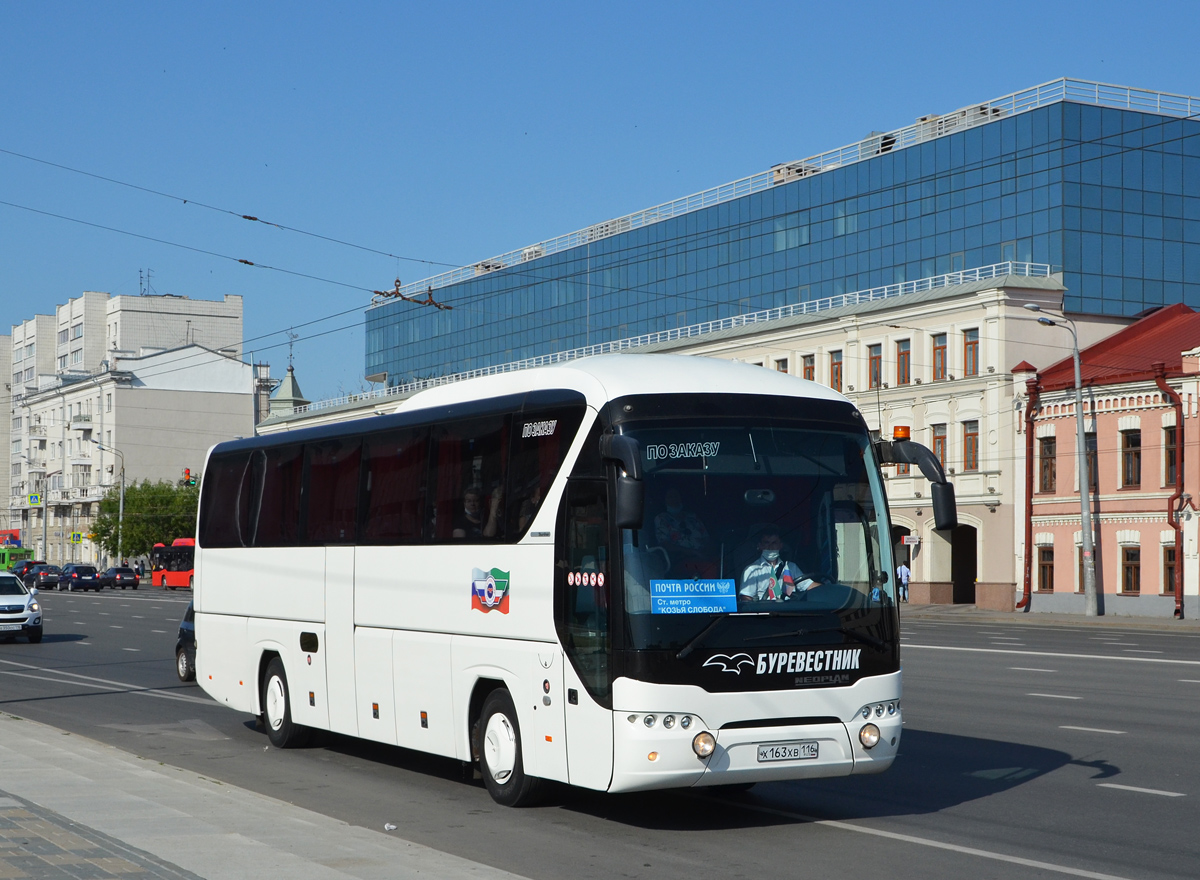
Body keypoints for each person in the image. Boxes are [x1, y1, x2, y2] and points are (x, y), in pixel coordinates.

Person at [739, 529, 819, 602]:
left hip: (790, 613)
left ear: (780, 545)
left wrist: (829, 589)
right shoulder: (751, 570)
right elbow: (746, 599)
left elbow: (809, 586)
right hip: (765, 614)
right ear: (760, 546)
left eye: (774, 543)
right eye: (766, 543)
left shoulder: (791, 567)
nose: (770, 547)